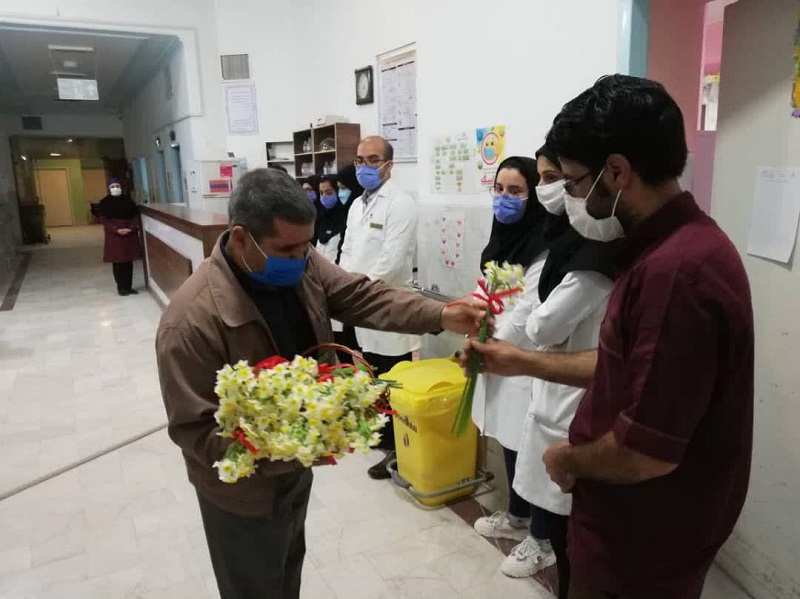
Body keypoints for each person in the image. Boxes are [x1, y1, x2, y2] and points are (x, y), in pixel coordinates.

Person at [463, 75, 754, 599]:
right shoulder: (664, 249)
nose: (570, 198)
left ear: (616, 172)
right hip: (632, 517)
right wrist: (520, 361)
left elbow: (645, 453)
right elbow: (627, 364)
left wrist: (568, 460)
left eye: (573, 182)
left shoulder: (676, 272)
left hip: (643, 530)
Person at [156, 168, 487, 599]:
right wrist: (295, 441)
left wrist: (440, 314)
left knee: (288, 570)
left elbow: (360, 295)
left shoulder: (302, 262)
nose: (301, 258)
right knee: (253, 586)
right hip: (243, 495)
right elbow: (195, 430)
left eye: (306, 246)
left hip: (295, 471)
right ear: (241, 238)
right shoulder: (190, 322)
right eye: (287, 249)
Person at [510, 145, 618, 597]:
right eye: (542, 179)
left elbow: (543, 325)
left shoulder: (596, 257)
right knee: (560, 528)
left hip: (573, 406)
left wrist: (534, 323)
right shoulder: (564, 240)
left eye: (561, 180)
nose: (548, 190)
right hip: (554, 394)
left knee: (569, 534)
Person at [471, 155, 568, 578]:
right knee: (510, 440)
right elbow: (487, 289)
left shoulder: (544, 246)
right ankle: (517, 516)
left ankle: (543, 540)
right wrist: (474, 321)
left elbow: (529, 310)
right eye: (499, 189)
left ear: (533, 197)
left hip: (524, 359)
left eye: (516, 191)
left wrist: (490, 346)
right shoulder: (502, 238)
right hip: (498, 354)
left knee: (531, 447)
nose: (504, 198)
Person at [338, 136, 419, 479]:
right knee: (372, 374)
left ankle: (398, 451)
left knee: (393, 378)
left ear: (389, 165)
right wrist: (341, 284)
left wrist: (356, 290)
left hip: (386, 304)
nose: (364, 167)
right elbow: (348, 250)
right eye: (360, 160)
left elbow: (391, 260)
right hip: (361, 303)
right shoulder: (357, 205)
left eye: (373, 160)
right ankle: (384, 439)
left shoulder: (400, 204)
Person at [98, 178, 142, 296]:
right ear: (109, 188)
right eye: (113, 187)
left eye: (117, 186)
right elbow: (104, 220)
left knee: (128, 262)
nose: (115, 188)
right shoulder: (104, 203)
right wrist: (116, 230)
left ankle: (129, 286)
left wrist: (131, 228)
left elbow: (135, 216)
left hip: (129, 235)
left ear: (120, 187)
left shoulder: (128, 201)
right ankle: (121, 287)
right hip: (114, 237)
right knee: (118, 263)